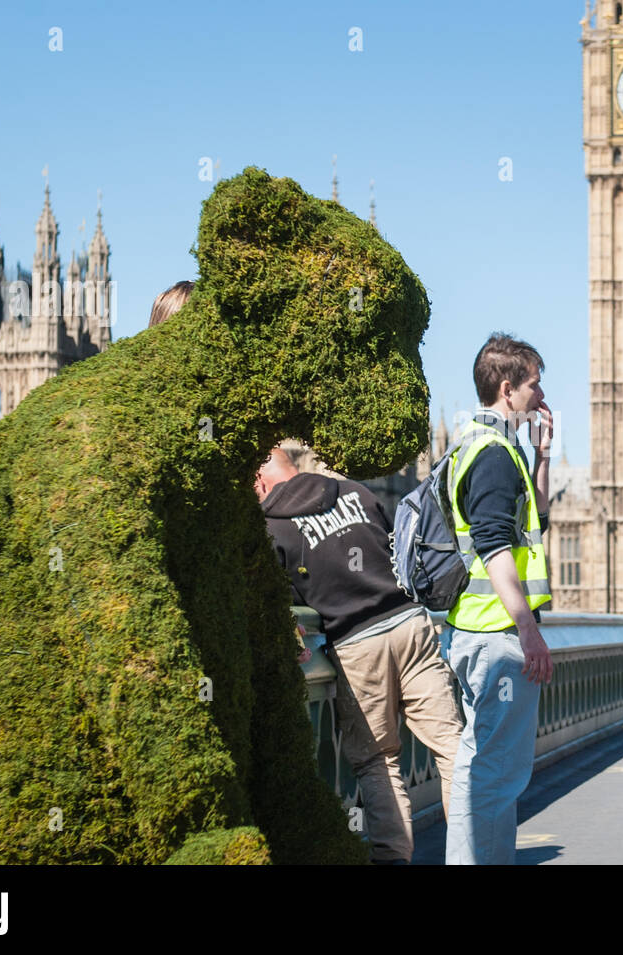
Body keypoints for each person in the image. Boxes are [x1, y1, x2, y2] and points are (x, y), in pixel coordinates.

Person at [256, 447, 465, 863]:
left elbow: (274, 598)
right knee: (452, 746)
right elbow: (399, 551)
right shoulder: (354, 491)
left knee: (378, 762)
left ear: (260, 484)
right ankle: (472, 852)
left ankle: (393, 858)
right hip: (410, 624)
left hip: (356, 644)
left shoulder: (271, 528)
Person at [444, 333, 554, 865]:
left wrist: (543, 455)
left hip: (476, 631)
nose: (541, 394)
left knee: (480, 767)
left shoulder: (485, 447)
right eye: (534, 384)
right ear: (508, 389)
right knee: (496, 773)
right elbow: (493, 544)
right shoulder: (491, 455)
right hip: (496, 635)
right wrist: (528, 630)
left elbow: (532, 525)